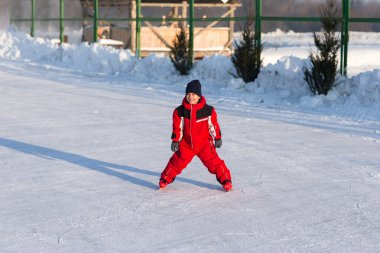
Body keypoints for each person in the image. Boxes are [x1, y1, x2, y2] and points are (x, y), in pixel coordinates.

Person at [159, 80, 233, 191]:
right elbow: (177, 128)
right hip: (186, 144)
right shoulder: (180, 111)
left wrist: (217, 138)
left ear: (199, 96)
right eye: (188, 94)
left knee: (215, 163)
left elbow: (213, 125)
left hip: (204, 144)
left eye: (193, 94)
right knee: (176, 162)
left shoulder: (208, 110)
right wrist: (175, 140)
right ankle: (165, 178)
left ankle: (226, 180)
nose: (191, 97)